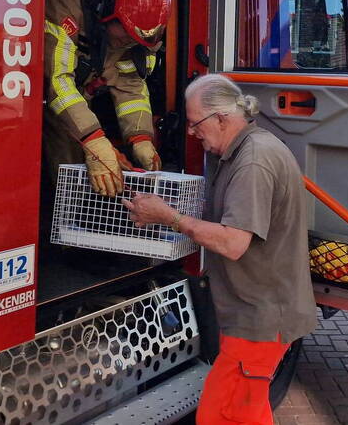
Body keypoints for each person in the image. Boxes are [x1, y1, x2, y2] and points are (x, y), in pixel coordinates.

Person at [122, 74, 317, 424]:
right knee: (249, 413)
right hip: (256, 319)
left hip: (259, 323)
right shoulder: (245, 150)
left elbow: (232, 241)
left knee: (218, 416)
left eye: (196, 124)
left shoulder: (253, 161)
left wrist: (168, 217)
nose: (192, 133)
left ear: (222, 118)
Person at [43, 0, 170, 196]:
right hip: (29, 97)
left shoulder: (134, 34)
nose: (129, 44)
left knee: (84, 154)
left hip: (74, 99)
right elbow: (58, 84)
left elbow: (131, 87)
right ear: (106, 11)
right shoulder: (62, 7)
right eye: (127, 35)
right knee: (70, 156)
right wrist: (93, 140)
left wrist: (140, 137)